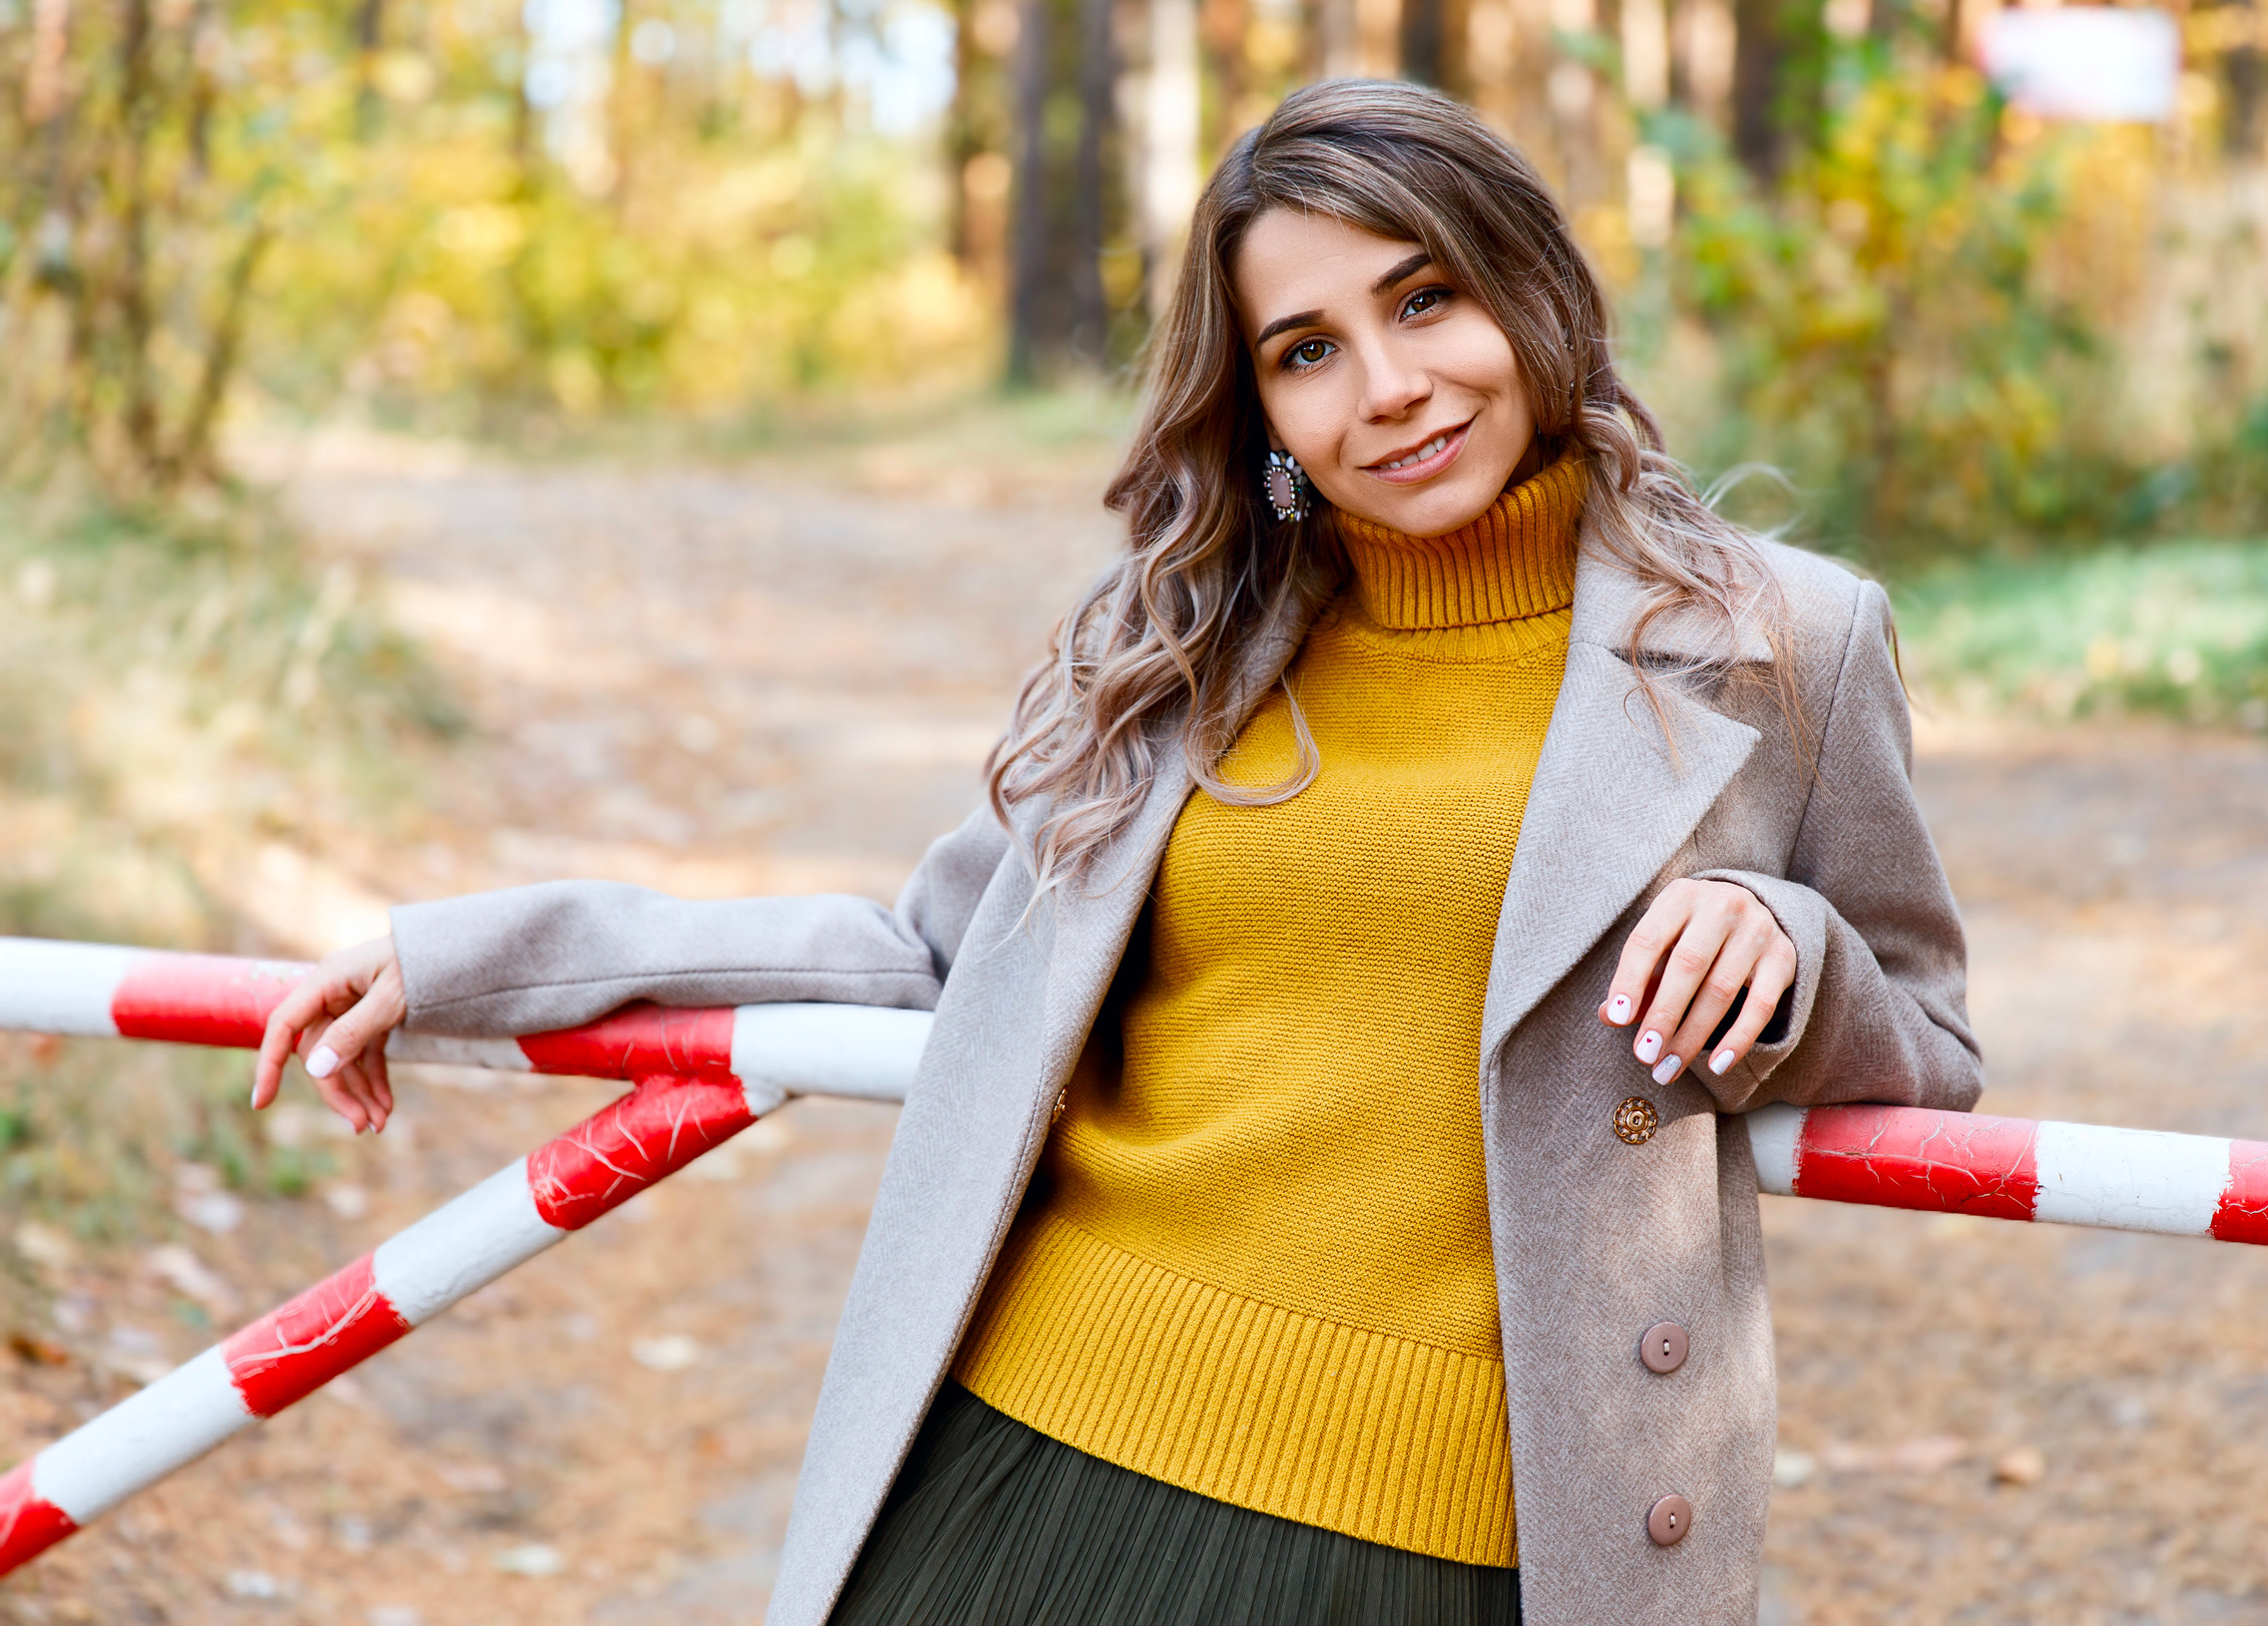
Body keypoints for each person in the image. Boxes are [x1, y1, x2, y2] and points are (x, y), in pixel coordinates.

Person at [254, 80, 1979, 1626]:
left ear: (1528, 283)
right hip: (1027, 1456)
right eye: (1306, 349)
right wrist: (476, 953)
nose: (1387, 390)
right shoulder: (1192, 642)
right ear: (1261, 406)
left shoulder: (1785, 642)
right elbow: (937, 957)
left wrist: (1790, 942)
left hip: (1457, 1534)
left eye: (1423, 298)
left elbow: (1930, 1034)